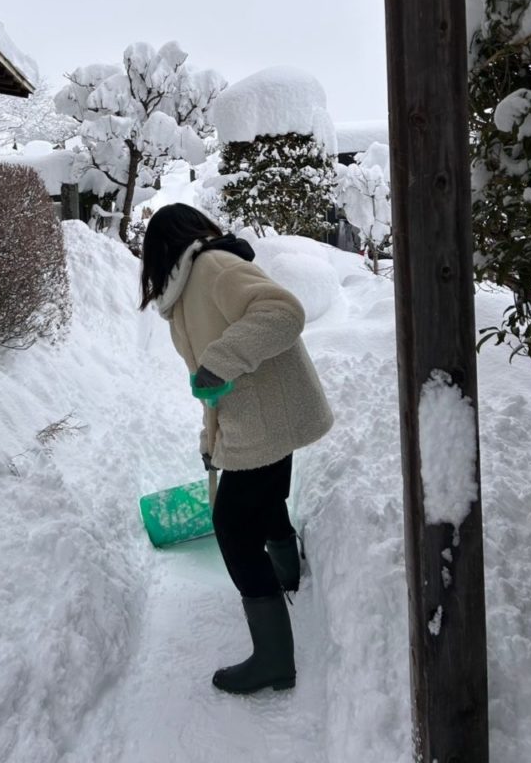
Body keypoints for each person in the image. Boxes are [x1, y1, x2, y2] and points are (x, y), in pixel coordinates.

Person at [139, 203, 333, 695]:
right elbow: (208, 384)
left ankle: (273, 659)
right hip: (257, 418)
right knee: (263, 502)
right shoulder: (186, 294)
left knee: (232, 525)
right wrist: (212, 441)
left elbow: (283, 312)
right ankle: (288, 575)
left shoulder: (214, 267)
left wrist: (222, 360)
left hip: (268, 417)